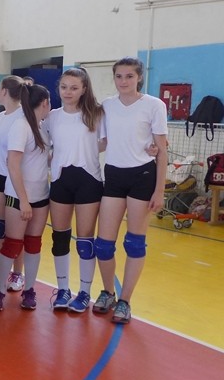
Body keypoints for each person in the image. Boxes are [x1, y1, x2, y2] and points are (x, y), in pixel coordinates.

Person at [94, 57, 167, 324]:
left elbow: (162, 151)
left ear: (139, 78)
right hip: (114, 175)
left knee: (134, 243)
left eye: (129, 76)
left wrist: (159, 191)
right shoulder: (107, 106)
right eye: (119, 76)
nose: (123, 81)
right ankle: (108, 292)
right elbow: (102, 143)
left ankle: (125, 301)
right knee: (103, 245)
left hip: (142, 176)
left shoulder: (154, 105)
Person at [42, 68, 104, 312]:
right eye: (64, 87)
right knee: (60, 237)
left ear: (84, 89)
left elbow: (111, 140)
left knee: (85, 240)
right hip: (60, 180)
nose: (68, 92)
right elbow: (41, 143)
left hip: (88, 180)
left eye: (74, 88)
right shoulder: (52, 117)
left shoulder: (96, 114)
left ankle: (85, 292)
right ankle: (63, 289)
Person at [0, 84, 51, 311]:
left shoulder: (42, 127)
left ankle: (29, 290)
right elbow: (12, 165)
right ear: (45, 103)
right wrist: (23, 200)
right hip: (19, 197)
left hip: (41, 195)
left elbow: (40, 160)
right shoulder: (21, 126)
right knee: (12, 244)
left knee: (33, 244)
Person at [0, 75, 26, 293]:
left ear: (4, 92)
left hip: (14, 179)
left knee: (15, 232)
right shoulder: (0, 117)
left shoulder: (23, 117)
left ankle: (17, 273)